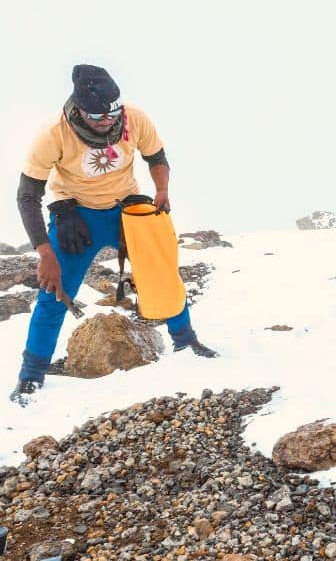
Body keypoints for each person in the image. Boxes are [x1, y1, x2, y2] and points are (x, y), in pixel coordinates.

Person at [11, 65, 217, 406]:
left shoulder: (135, 119)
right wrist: (45, 254)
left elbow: (156, 156)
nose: (107, 120)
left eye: (113, 112)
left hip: (127, 211)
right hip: (77, 217)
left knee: (162, 274)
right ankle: (31, 374)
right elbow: (27, 196)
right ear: (78, 110)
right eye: (97, 115)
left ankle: (185, 340)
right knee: (55, 294)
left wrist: (161, 189)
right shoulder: (53, 134)